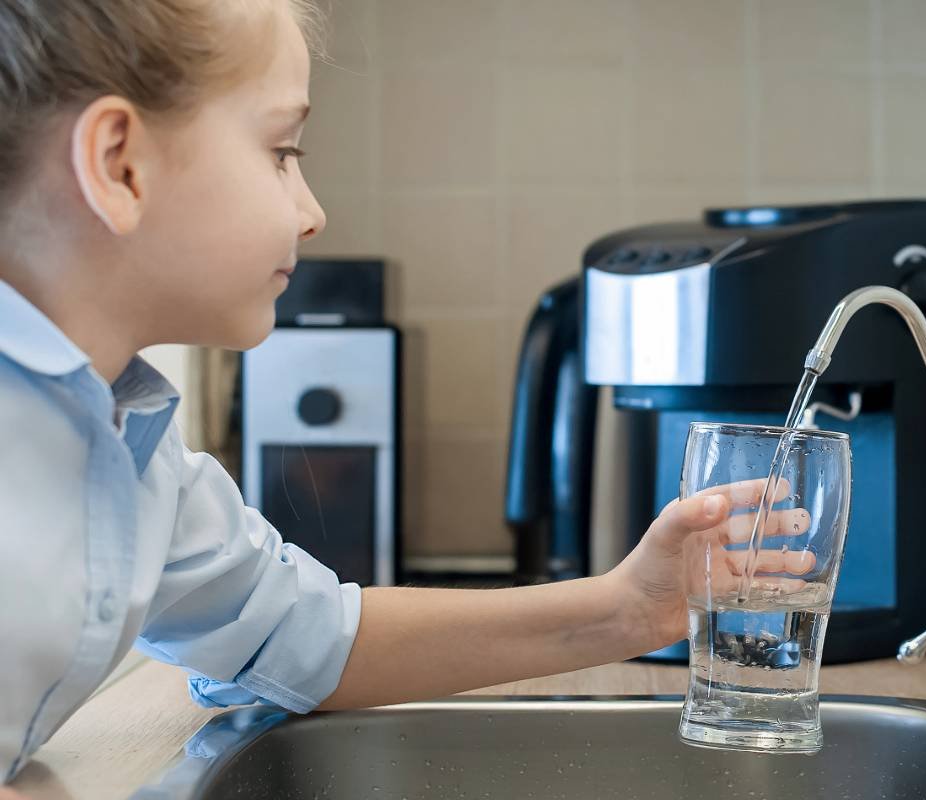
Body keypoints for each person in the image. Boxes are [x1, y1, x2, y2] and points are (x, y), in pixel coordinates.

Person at [0, 1, 814, 791]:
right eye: (283, 151)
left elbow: (298, 636)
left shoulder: (130, 449)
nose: (312, 214)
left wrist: (633, 609)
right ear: (119, 165)